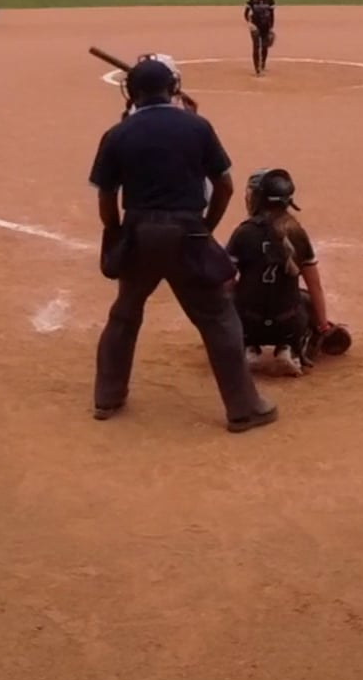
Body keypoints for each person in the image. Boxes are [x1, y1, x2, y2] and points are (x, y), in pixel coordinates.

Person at [88, 56, 276, 433]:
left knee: (124, 314)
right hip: (187, 231)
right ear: (172, 88)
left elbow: (106, 197)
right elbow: (224, 186)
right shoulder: (196, 126)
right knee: (218, 316)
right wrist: (205, 227)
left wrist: (117, 231)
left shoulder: (118, 134)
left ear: (132, 93)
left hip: (140, 232)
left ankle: (107, 397)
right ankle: (243, 408)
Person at [226, 168, 351, 377]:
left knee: (234, 295)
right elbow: (315, 286)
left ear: (257, 199)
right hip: (289, 325)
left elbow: (225, 281)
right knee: (305, 298)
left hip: (248, 323)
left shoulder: (244, 232)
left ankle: (248, 347)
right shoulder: (297, 232)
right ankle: (289, 347)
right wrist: (323, 326)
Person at [244, 0, 277, 76]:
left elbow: (272, 15)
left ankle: (262, 65)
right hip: (255, 26)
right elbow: (246, 14)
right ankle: (257, 70)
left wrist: (271, 27)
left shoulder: (270, 0)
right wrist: (250, 24)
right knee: (256, 46)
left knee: (264, 46)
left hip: (265, 26)